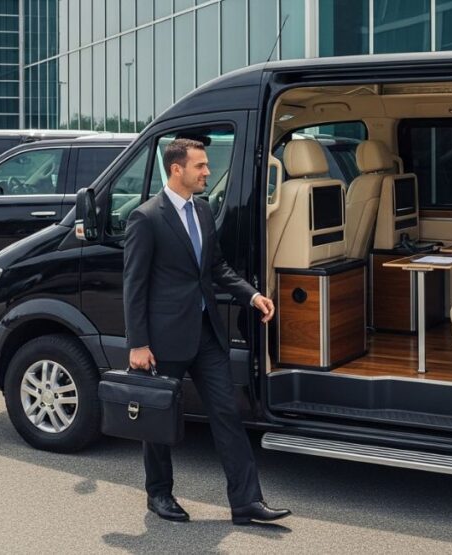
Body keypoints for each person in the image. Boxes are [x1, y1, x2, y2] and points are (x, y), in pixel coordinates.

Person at [123, 138, 291, 525]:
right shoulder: (146, 218)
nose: (207, 172)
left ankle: (246, 503)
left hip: (206, 333)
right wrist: (138, 343)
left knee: (228, 413)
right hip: (163, 338)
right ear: (176, 169)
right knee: (158, 417)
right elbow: (134, 285)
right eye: (200, 166)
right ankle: (159, 494)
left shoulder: (202, 210)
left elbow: (216, 268)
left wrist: (252, 296)